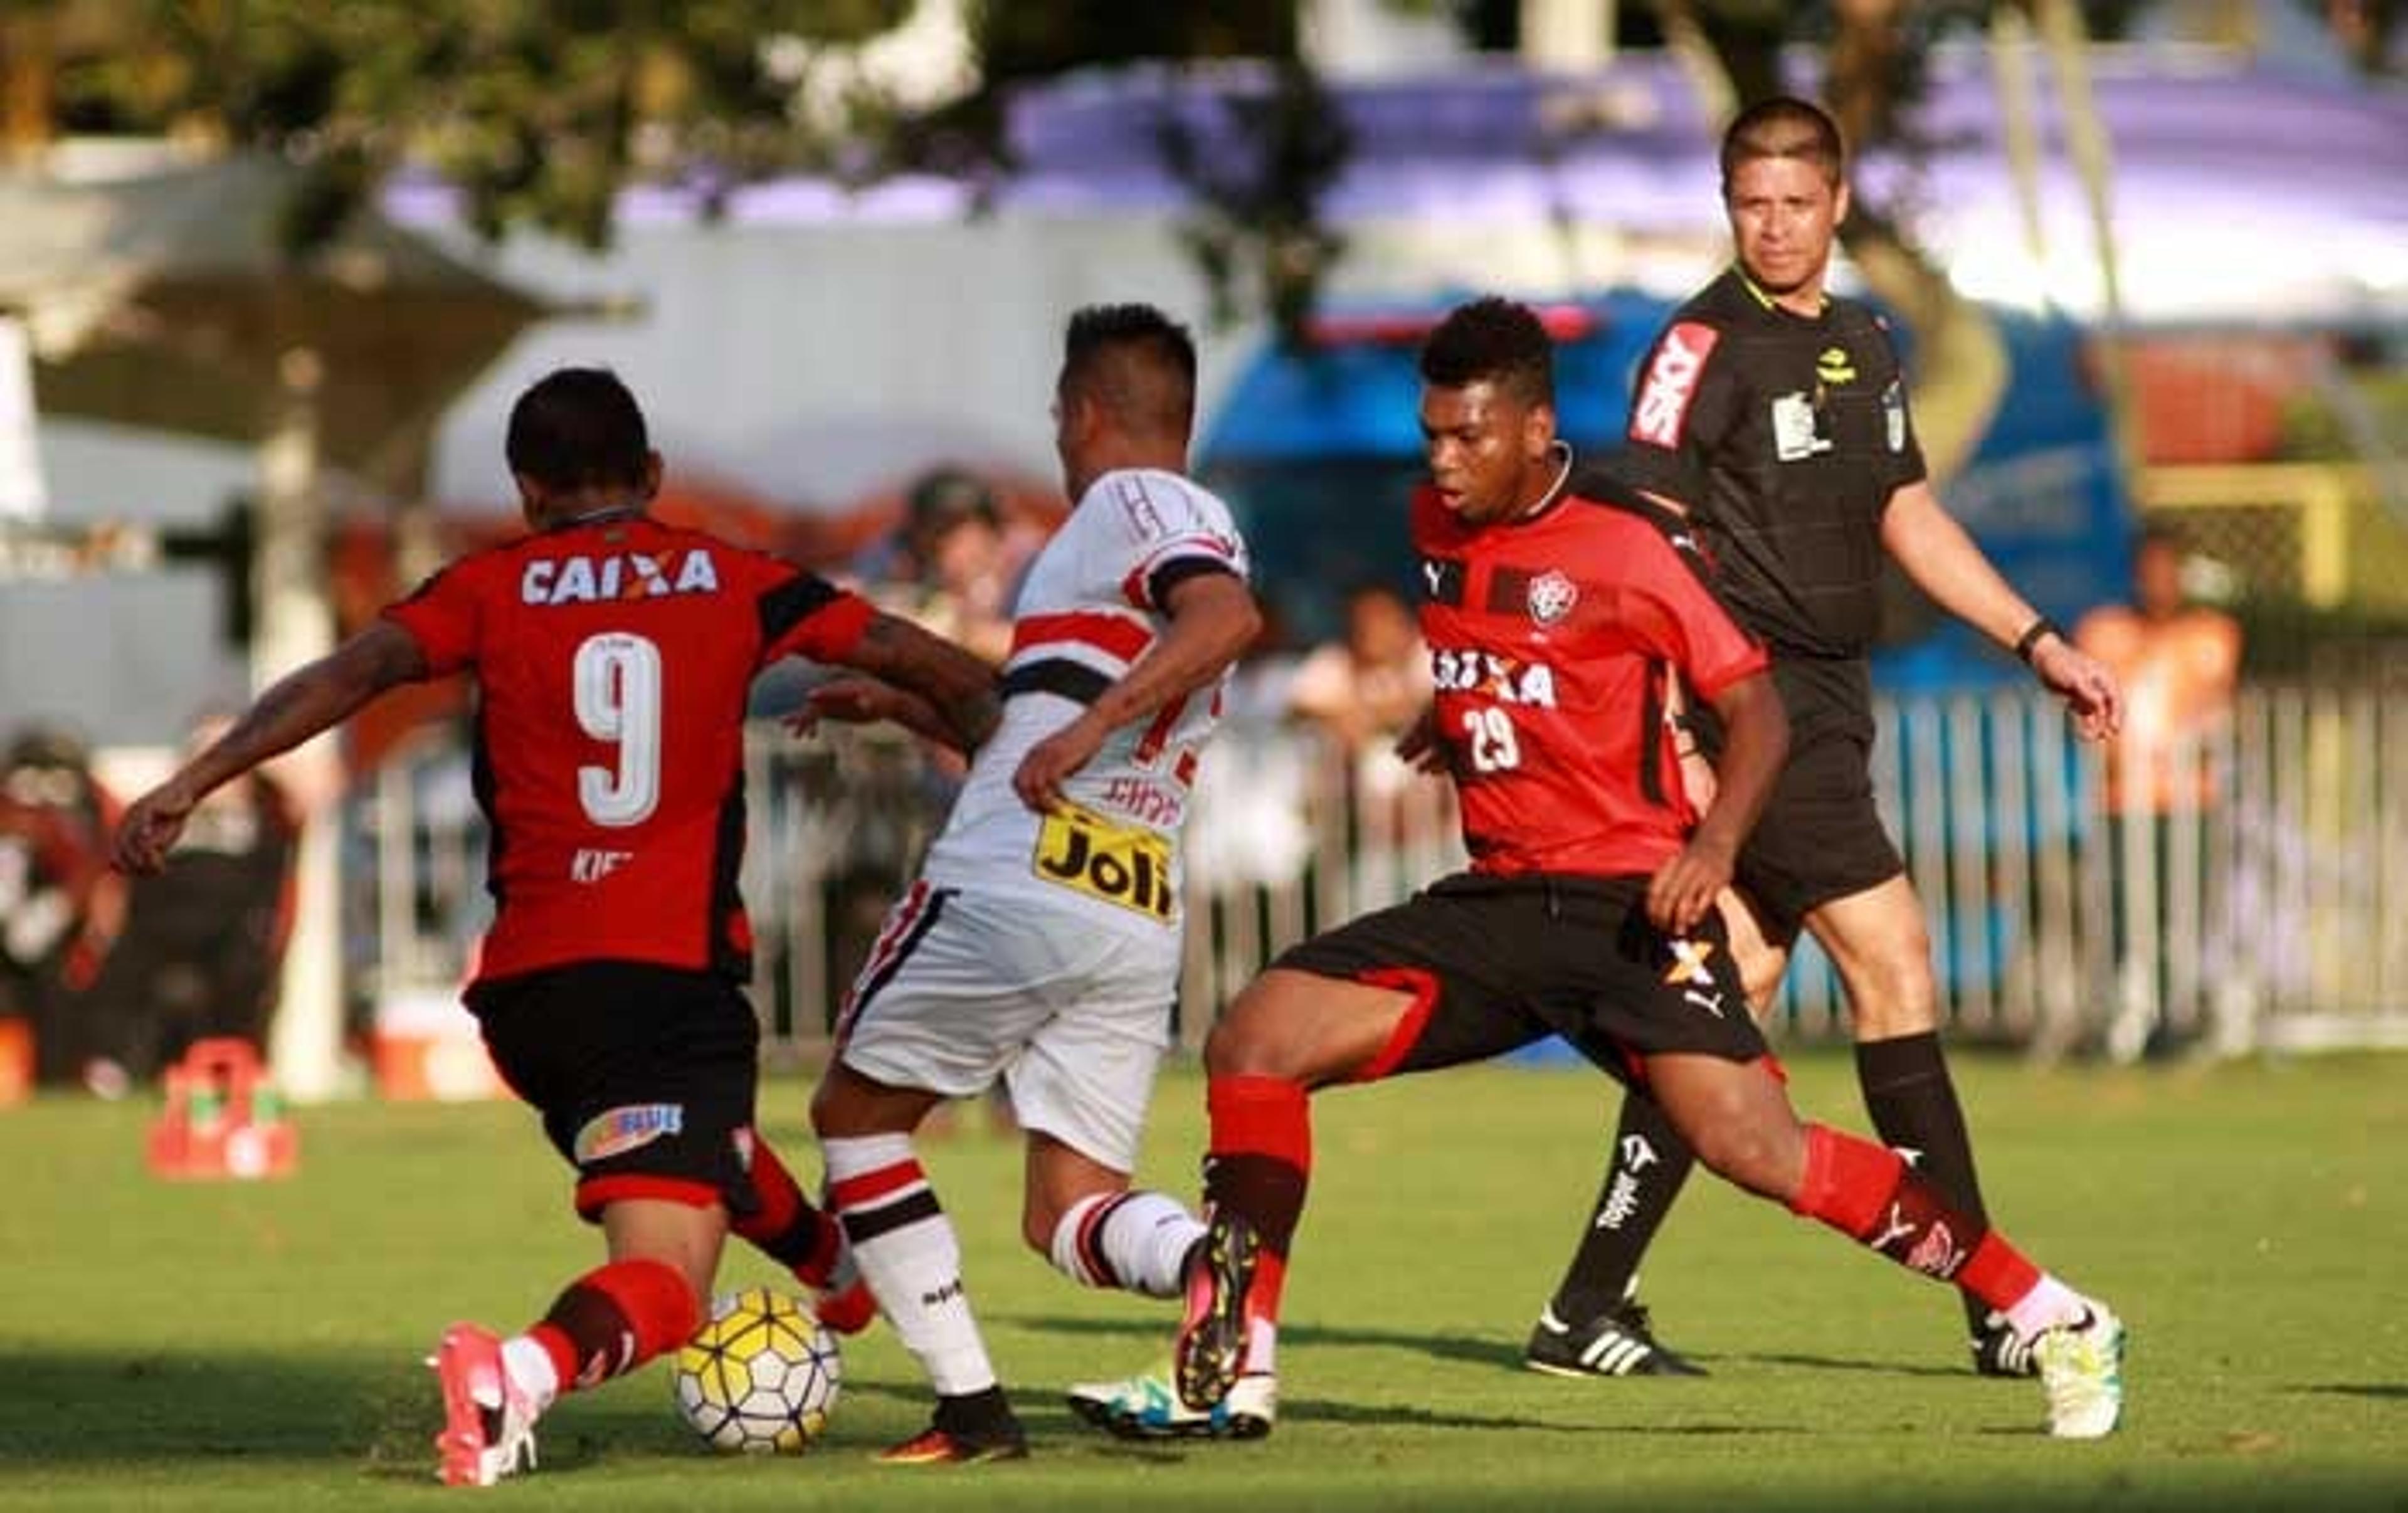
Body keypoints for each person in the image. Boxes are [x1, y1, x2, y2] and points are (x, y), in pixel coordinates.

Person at [1071, 297, 2126, 1442]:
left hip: (1629, 908)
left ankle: (2051, 1309)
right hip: (1499, 901)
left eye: (1468, 436)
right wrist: (1455, 711)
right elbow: (1511, 646)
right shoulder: (1436, 520)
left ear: (1534, 431)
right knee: (1258, 1035)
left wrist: (1713, 848)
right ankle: (1230, 1364)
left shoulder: (1630, 542)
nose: (1443, 458)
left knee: (1755, 1150)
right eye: (1433, 434)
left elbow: (1757, 714)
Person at [111, 366, 1002, 1488]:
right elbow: (931, 663)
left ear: (527, 491)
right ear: (654, 477)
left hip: (530, 999)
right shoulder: (735, 577)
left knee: (692, 1131)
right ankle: (520, 1371)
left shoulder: (487, 584)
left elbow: (349, 674)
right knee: (672, 1285)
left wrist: (194, 777)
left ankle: (834, 1267)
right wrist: (1001, 750)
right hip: (664, 981)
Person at [1521, 96, 2126, 1382]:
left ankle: (1584, 1307)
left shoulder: (1865, 340)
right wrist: (1680, 721)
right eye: (1755, 205)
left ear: (1839, 206)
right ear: (1729, 207)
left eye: (1800, 204)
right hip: (1758, 706)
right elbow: (1642, 545)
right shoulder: (1697, 343)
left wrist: (2040, 642)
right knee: (1896, 967)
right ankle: (1998, 1309)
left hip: (1834, 697)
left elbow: (1908, 515)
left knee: (1723, 1003)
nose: (1779, 225)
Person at [798, 303, 1264, 1462]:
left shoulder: (1132, 502)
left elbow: (1225, 616)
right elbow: (1039, 709)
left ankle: (970, 1408)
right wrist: (910, 706)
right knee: (1067, 1211)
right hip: (1130, 897)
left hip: (1020, 873)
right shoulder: (1118, 554)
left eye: (1060, 414)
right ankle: (1206, 1262)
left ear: (1085, 411)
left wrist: (1086, 728)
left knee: (854, 1119)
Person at [2073, 522, 2243, 1060]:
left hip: (2190, 800)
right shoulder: (2105, 632)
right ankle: (2130, 1011)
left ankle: (2180, 1013)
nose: (2159, 582)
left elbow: (2218, 711)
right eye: (2150, 571)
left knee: (2184, 911)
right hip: (2125, 800)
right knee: (2126, 908)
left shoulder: (2212, 635)